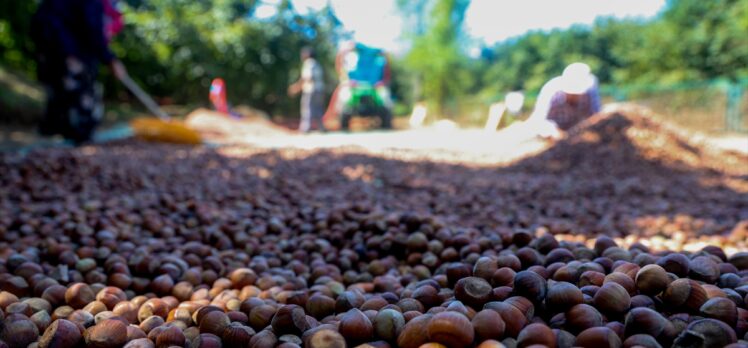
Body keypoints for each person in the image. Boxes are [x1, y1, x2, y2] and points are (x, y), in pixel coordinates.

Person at [31, 0, 128, 145]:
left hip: (49, 47)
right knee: (81, 97)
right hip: (70, 51)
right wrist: (110, 59)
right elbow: (93, 29)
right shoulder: (93, 4)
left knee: (59, 95)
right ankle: (76, 138)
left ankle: (55, 138)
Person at [527, 62, 601, 138]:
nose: (574, 96)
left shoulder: (591, 90)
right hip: (553, 130)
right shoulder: (551, 90)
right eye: (572, 94)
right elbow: (538, 120)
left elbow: (596, 115)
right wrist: (554, 133)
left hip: (576, 129)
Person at [289, 47, 326, 133]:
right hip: (319, 89)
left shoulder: (308, 63)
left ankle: (305, 128)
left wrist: (296, 87)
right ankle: (321, 127)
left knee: (307, 108)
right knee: (318, 109)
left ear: (308, 54)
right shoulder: (317, 64)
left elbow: (308, 78)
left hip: (310, 90)